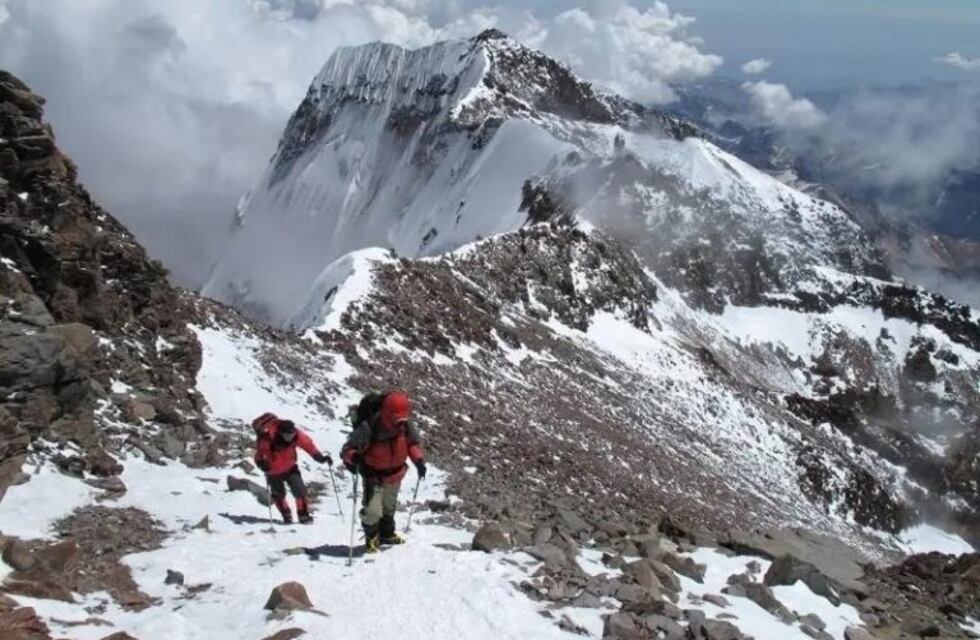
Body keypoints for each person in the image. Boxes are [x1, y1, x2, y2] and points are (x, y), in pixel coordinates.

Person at [341, 391, 426, 552]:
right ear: (387, 414)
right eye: (396, 419)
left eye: (403, 419)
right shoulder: (370, 427)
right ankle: (372, 538)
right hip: (374, 476)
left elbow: (411, 445)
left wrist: (419, 461)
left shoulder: (405, 426)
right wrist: (355, 457)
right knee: (372, 510)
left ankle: (387, 534)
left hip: (396, 475)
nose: (400, 424)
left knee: (388, 507)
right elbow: (347, 450)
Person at [253, 412, 332, 524]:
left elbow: (307, 444)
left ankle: (303, 515)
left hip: (290, 468)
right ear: (281, 433)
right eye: (287, 436)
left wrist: (318, 456)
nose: (290, 438)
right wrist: (262, 463)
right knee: (279, 494)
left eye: (292, 434)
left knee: (300, 490)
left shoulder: (296, 435)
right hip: (273, 471)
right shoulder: (267, 438)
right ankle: (286, 514)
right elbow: (261, 453)